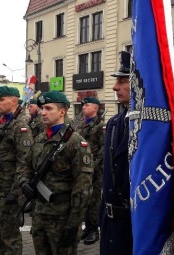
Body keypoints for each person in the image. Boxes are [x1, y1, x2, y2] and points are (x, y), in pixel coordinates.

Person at [19, 90, 93, 255]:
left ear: (62, 111)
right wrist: (24, 182)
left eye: (48, 108)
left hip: (62, 217)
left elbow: (83, 188)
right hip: (39, 214)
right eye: (42, 108)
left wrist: (73, 224)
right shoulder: (39, 139)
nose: (43, 112)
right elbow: (25, 165)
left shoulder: (75, 142)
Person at [0, 86, 32, 255]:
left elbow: (24, 161)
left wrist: (16, 192)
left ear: (14, 101)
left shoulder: (20, 127)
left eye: (2, 100)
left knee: (9, 234)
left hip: (8, 189)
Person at [99, 51, 132, 255]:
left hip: (135, 224)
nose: (114, 87)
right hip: (111, 221)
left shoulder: (154, 125)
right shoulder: (114, 122)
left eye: (122, 81)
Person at [76, 97, 105, 245]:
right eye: (83, 105)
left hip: (95, 170)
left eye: (87, 105)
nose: (83, 108)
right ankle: (87, 228)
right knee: (85, 199)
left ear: (95, 108)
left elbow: (103, 148)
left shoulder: (101, 126)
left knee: (94, 200)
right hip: (81, 168)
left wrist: (93, 165)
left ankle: (94, 230)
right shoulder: (80, 124)